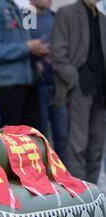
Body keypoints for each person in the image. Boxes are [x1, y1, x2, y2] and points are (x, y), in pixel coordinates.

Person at [51, 0, 106, 183]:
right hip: (79, 89)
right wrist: (74, 80)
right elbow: (57, 53)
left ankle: (94, 193)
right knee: (77, 146)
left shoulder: (103, 19)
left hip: (101, 90)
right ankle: (80, 195)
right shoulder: (66, 13)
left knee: (97, 146)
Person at [0, 0, 49, 130]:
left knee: (32, 137)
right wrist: (26, 47)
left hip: (30, 82)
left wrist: (37, 55)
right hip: (10, 84)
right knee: (10, 137)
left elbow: (26, 43)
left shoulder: (21, 8)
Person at [29, 0, 68, 161]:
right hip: (37, 86)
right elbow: (25, 42)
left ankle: (63, 175)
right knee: (40, 135)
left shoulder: (55, 17)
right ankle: (43, 175)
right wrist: (36, 55)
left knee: (63, 134)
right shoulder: (28, 15)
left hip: (58, 85)